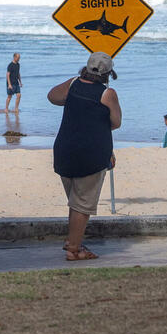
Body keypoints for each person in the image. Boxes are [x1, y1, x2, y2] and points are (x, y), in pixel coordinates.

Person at [47, 51, 121, 262]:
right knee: (82, 205)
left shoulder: (72, 85)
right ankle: (73, 249)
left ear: (86, 68)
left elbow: (52, 96)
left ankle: (73, 241)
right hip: (91, 153)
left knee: (75, 202)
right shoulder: (107, 94)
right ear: (108, 74)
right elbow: (116, 122)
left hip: (64, 150)